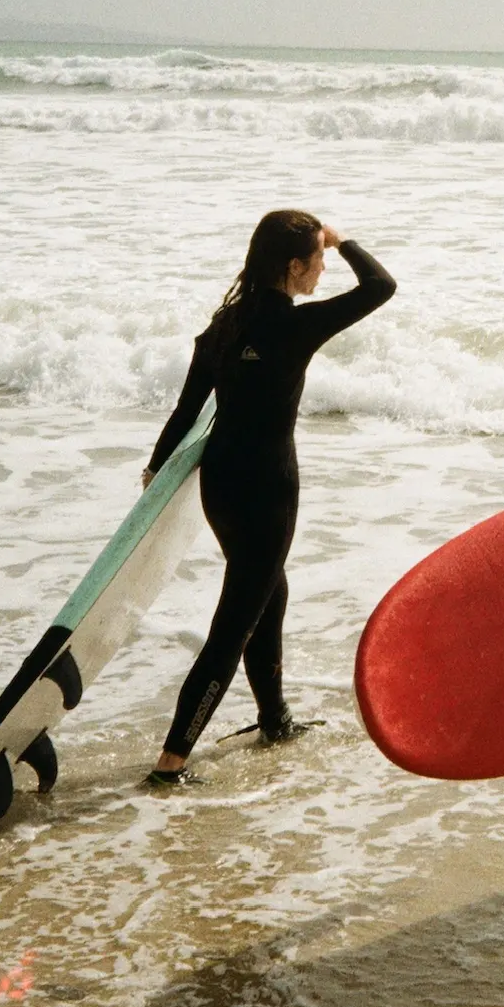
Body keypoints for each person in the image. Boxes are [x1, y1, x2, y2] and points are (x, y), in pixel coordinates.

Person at [141, 211, 395, 785]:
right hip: (268, 490)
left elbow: (186, 410)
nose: (323, 266)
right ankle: (170, 764)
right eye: (318, 258)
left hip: (221, 487)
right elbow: (381, 286)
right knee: (235, 624)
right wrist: (345, 236)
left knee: (268, 591)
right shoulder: (296, 326)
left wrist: (156, 467)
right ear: (293, 266)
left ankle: (274, 719)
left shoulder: (227, 324)